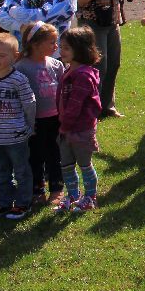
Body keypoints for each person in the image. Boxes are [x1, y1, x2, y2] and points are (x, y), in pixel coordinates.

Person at [70, 0, 128, 118]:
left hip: (111, 21)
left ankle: (107, 105)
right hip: (92, 23)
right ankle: (92, 106)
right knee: (98, 65)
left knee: (114, 63)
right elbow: (79, 0)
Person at [0, 32, 36, 220]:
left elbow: (29, 103)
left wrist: (30, 126)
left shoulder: (18, 79)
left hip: (16, 136)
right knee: (2, 172)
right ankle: (4, 203)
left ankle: (24, 203)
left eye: (2, 55)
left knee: (21, 171)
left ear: (15, 56)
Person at [53, 26, 102, 213]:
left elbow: (75, 106)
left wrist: (65, 126)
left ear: (80, 49)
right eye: (61, 47)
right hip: (66, 128)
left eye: (66, 48)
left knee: (84, 164)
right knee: (66, 164)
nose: (61, 51)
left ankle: (90, 197)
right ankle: (73, 195)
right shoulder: (69, 70)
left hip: (80, 129)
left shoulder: (83, 76)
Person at [16, 22, 65, 206]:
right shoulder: (22, 68)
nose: (56, 46)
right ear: (35, 44)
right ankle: (37, 189)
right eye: (51, 42)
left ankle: (57, 188)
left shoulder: (56, 64)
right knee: (35, 156)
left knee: (55, 154)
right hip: (33, 120)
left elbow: (63, 90)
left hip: (55, 118)